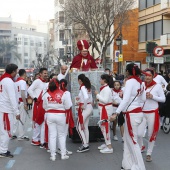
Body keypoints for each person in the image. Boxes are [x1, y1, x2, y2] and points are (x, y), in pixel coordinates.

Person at [113, 63, 146, 170]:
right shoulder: (141, 82)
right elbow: (143, 99)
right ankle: (127, 164)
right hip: (137, 113)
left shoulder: (130, 82)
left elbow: (126, 99)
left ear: (127, 72)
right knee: (127, 140)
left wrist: (117, 112)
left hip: (131, 114)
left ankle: (140, 167)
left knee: (133, 141)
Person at [138, 68, 165, 162]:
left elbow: (163, 99)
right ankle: (141, 146)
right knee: (139, 133)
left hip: (152, 113)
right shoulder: (141, 85)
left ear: (153, 76)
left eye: (149, 75)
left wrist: (152, 97)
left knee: (151, 134)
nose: (147, 77)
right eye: (145, 75)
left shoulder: (157, 86)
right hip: (142, 112)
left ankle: (149, 153)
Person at [42, 78, 71, 161]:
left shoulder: (46, 94)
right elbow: (68, 106)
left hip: (50, 115)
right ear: (58, 85)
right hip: (61, 115)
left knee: (52, 135)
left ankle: (53, 155)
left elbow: (44, 107)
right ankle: (63, 154)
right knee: (61, 135)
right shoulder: (64, 94)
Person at [0, 64, 20, 158]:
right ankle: (3, 151)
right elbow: (12, 98)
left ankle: (2, 149)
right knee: (7, 131)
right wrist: (17, 112)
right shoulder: (8, 81)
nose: (17, 73)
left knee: (4, 131)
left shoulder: (3, 80)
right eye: (16, 71)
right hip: (6, 110)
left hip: (4, 109)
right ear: (12, 72)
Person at [27, 68, 48, 146]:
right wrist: (35, 98)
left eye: (46, 73)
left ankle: (40, 138)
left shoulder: (46, 83)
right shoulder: (37, 81)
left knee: (42, 122)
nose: (46, 75)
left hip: (43, 105)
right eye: (44, 73)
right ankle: (35, 139)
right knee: (37, 122)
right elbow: (29, 90)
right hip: (37, 104)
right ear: (40, 74)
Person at [95, 74, 114, 154]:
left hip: (105, 110)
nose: (100, 80)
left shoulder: (106, 89)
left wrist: (97, 95)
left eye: (101, 79)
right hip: (104, 109)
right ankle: (107, 143)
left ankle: (109, 146)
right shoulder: (105, 88)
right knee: (103, 127)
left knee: (105, 127)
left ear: (104, 80)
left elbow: (105, 100)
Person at [76, 74, 93, 152]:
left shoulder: (82, 87)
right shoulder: (88, 87)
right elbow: (90, 98)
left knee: (78, 127)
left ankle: (85, 145)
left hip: (85, 108)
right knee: (85, 127)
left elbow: (85, 97)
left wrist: (83, 105)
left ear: (80, 80)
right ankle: (87, 143)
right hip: (90, 108)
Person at [12, 69, 29, 141]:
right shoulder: (22, 82)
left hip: (16, 101)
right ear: (24, 74)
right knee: (22, 118)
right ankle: (21, 135)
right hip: (21, 101)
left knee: (16, 118)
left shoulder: (16, 82)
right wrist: (25, 103)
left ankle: (13, 133)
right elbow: (22, 92)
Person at [59, 79, 74, 155]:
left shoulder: (57, 92)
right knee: (63, 133)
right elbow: (69, 105)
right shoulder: (67, 93)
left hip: (56, 114)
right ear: (67, 85)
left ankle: (58, 148)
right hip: (65, 114)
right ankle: (63, 150)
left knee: (56, 133)